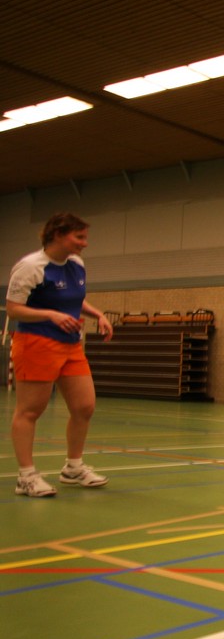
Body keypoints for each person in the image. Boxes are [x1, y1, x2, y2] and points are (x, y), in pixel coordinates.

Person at [6, 212, 114, 497]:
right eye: (79, 237)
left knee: (84, 406)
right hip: (36, 343)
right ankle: (26, 477)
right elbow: (14, 310)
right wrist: (51, 315)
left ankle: (73, 468)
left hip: (71, 346)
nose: (85, 243)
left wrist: (97, 314)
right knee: (30, 410)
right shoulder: (31, 267)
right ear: (57, 235)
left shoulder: (76, 264)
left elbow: (75, 300)